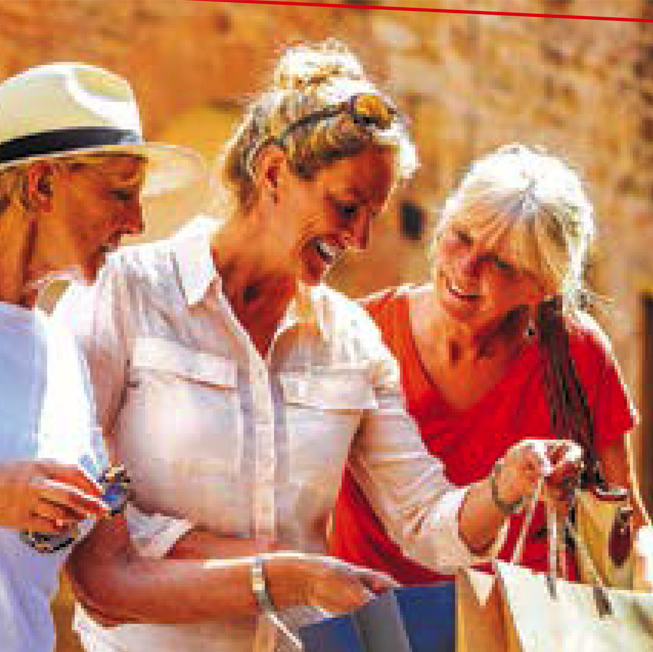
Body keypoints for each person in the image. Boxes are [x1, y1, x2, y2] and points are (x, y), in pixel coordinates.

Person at [0, 61, 437, 651]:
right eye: (119, 195)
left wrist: (290, 578)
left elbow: (111, 578)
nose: (135, 223)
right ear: (41, 184)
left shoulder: (62, 353)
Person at [55, 41, 581, 652]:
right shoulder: (127, 293)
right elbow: (81, 511)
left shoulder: (352, 338)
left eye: (374, 216)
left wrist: (506, 485)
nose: (358, 238)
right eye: (346, 206)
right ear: (274, 172)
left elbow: (424, 523)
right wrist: (279, 569)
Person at [328, 143, 653, 648]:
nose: (466, 268)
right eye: (460, 238)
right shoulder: (360, 336)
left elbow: (631, 525)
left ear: (542, 286)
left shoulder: (575, 354)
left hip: (526, 633)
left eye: (501, 264)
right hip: (383, 631)